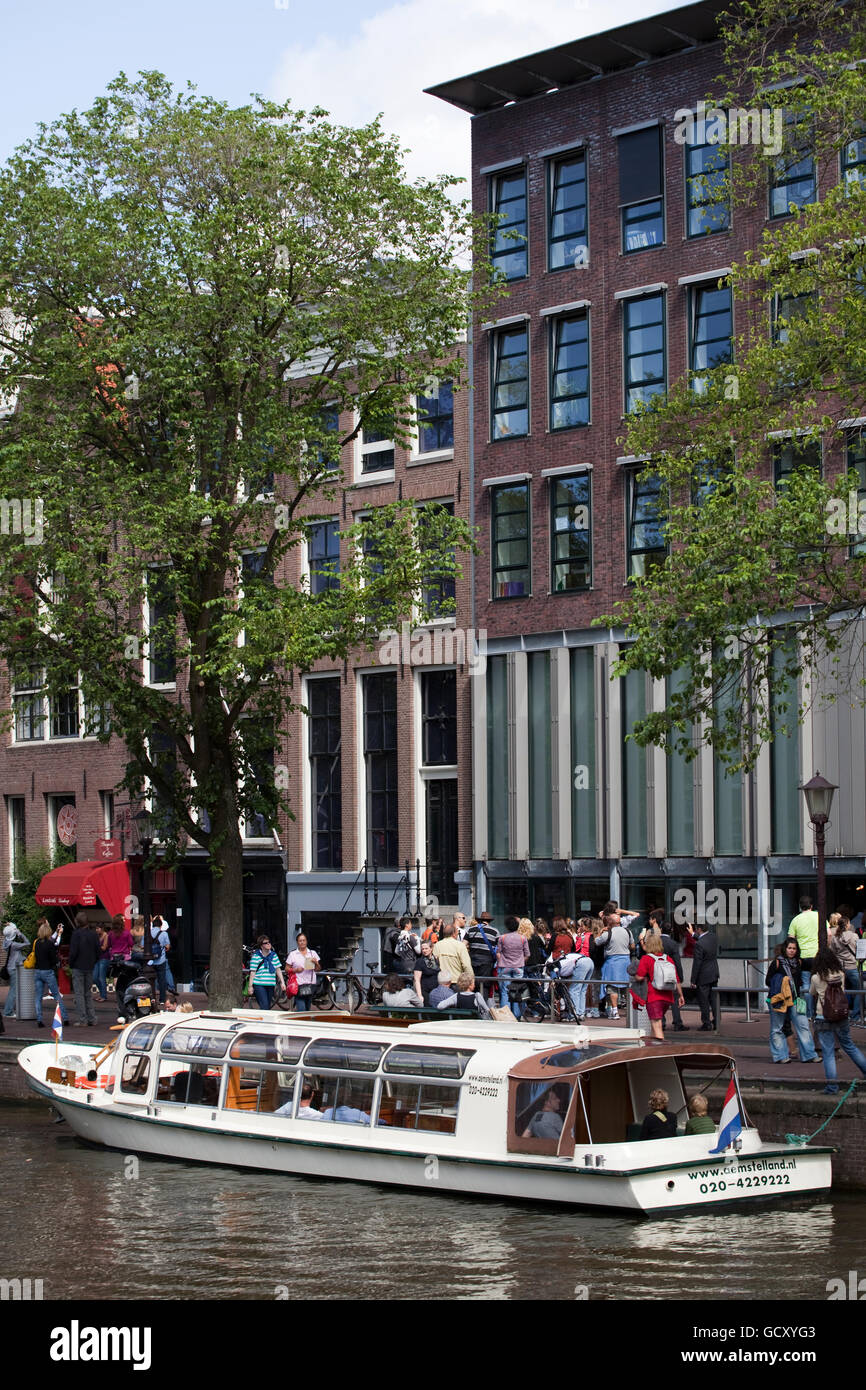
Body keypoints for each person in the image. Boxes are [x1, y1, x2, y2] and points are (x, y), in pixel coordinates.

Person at [809, 945, 866, 1095]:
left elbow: (812, 993)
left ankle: (832, 1087)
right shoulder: (840, 973)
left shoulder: (816, 977)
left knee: (828, 1053)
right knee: (849, 1045)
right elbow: (843, 991)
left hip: (823, 1017)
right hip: (841, 1015)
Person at [765, 938, 818, 1063]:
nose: (792, 951)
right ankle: (780, 1056)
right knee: (777, 1028)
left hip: (795, 999)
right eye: (789, 948)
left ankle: (809, 1055)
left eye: (794, 948)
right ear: (785, 948)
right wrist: (783, 980)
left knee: (803, 1025)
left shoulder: (799, 962)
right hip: (779, 1000)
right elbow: (768, 981)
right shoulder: (777, 963)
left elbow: (813, 965)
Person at [636, 937, 685, 1041]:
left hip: (653, 996)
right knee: (654, 1028)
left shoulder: (646, 958)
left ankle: (662, 1052)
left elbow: (639, 977)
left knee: (657, 1026)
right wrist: (681, 996)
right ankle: (652, 1049)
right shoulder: (668, 958)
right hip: (667, 997)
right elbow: (676, 979)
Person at [595, 912, 632, 1020]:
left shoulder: (608, 933)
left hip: (612, 962)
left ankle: (615, 1011)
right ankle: (630, 1011)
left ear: (610, 922)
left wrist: (600, 932)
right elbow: (633, 945)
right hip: (625, 961)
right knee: (626, 986)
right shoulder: (628, 931)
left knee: (612, 987)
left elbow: (597, 942)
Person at [33, 921, 70, 1030]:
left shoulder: (37, 943)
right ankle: (65, 1018)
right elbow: (54, 957)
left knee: (38, 996)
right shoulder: (49, 944)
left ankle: (39, 1020)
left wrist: (57, 933)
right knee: (57, 995)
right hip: (48, 971)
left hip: (38, 971)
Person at [788, 895, 820, 1015]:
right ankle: (819, 1012)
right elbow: (829, 934)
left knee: (806, 984)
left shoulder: (796, 919)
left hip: (803, 956)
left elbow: (791, 939)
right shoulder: (818, 916)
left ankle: (808, 1013)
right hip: (817, 955)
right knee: (820, 983)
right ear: (812, 906)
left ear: (800, 907)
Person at [829, 913, 863, 1023]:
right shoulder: (854, 936)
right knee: (859, 990)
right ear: (848, 925)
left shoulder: (835, 938)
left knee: (842, 990)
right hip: (852, 966)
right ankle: (855, 1015)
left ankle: (844, 1013)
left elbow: (832, 953)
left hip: (840, 967)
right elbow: (859, 951)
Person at [68, 912, 100, 1025]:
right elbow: (98, 951)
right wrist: (93, 961)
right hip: (89, 966)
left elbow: (73, 952)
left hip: (78, 966)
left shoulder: (76, 934)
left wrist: (70, 963)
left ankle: (83, 1019)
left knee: (79, 994)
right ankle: (91, 1018)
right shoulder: (93, 934)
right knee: (88, 993)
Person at [555, 937, 594, 1022]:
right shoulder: (565, 958)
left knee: (574, 989)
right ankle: (581, 1013)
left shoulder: (558, 965)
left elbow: (563, 975)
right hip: (589, 961)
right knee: (582, 989)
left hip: (581, 963)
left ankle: (574, 1014)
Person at [496, 915, 529, 1016]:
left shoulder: (502, 938)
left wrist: (501, 961)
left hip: (505, 966)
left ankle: (505, 1014)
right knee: (517, 991)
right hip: (518, 967)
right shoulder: (523, 938)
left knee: (505, 991)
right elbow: (527, 954)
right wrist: (521, 961)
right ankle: (517, 1014)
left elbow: (498, 952)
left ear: (507, 926)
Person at [690, 923, 720, 1031]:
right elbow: (704, 940)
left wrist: (693, 980)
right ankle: (717, 1021)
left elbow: (697, 963)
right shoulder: (713, 937)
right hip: (714, 972)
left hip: (703, 975)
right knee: (714, 999)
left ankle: (706, 1023)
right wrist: (693, 934)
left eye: (696, 930)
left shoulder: (699, 944)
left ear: (699, 929)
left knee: (704, 1000)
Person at [661, 922, 689, 1030]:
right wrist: (680, 977)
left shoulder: (656, 942)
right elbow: (677, 962)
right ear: (671, 931)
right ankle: (677, 1023)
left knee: (660, 997)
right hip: (670, 974)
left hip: (657, 974)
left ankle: (662, 1022)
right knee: (674, 998)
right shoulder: (673, 944)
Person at [464, 912, 499, 996]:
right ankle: (483, 1004)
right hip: (487, 962)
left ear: (480, 920)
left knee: (473, 983)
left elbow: (463, 944)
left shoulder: (470, 930)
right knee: (485, 985)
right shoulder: (495, 931)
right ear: (489, 921)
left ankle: (474, 1005)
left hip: (473, 961)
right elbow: (499, 948)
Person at [248, 934, 285, 1010]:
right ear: (261, 946)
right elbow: (253, 972)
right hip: (259, 984)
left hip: (270, 984)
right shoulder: (256, 956)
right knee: (265, 1006)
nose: (268, 944)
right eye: (266, 943)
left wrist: (282, 982)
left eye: (269, 942)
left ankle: (261, 1020)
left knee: (267, 1007)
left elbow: (278, 969)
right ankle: (263, 1021)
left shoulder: (274, 955)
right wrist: (250, 986)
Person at [2, 922, 30, 1020]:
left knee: (13, 990)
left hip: (10, 967)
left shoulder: (5, 942)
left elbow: (9, 933)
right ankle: (8, 1011)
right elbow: (27, 943)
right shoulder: (14, 945)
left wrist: (11, 926)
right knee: (13, 991)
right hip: (14, 968)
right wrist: (20, 934)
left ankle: (9, 1010)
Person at [284, 933, 320, 1012]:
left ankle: (303, 1023)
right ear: (297, 942)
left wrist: (316, 963)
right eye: (300, 941)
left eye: (304, 940)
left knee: (307, 1009)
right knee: (301, 1009)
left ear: (306, 941)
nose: (302, 942)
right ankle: (300, 1022)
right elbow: (286, 969)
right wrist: (295, 970)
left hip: (310, 985)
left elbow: (318, 969)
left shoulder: (312, 953)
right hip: (298, 985)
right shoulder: (293, 954)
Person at [149, 914, 172, 1007]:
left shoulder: (148, 933)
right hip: (161, 960)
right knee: (161, 980)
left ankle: (151, 998)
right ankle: (162, 999)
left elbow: (142, 945)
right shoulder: (164, 934)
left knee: (151, 980)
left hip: (150, 961)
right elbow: (168, 946)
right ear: (160, 925)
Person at [413, 938, 440, 1004]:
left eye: (426, 948)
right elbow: (417, 980)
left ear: (431, 948)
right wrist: (419, 995)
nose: (424, 951)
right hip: (425, 992)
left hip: (436, 991)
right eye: (423, 949)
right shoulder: (420, 962)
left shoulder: (436, 959)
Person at [93, 922, 111, 1002]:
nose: (96, 930)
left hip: (104, 958)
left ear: (102, 928)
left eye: (98, 928)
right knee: (94, 977)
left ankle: (103, 996)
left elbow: (104, 947)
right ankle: (102, 993)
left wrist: (96, 947)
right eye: (96, 928)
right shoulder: (96, 936)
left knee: (101, 977)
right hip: (97, 958)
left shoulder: (106, 935)